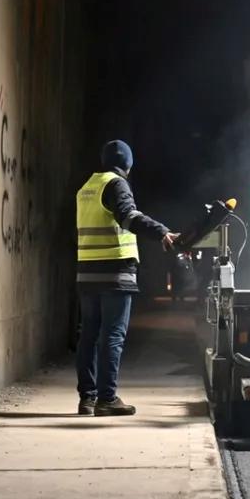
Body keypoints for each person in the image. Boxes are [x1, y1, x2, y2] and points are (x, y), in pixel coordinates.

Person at [76, 140, 178, 416]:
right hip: (115, 273)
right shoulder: (117, 184)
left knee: (88, 335)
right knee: (113, 335)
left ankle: (87, 398)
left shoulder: (87, 187)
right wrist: (161, 233)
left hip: (87, 273)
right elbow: (128, 216)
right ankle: (107, 398)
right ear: (128, 164)